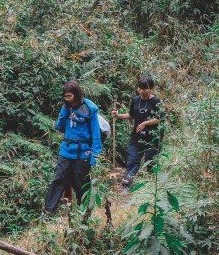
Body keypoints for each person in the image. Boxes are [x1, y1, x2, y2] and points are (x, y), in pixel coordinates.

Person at [44, 81, 102, 216]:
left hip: (83, 152)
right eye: (65, 96)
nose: (67, 99)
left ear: (76, 94)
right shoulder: (66, 107)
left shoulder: (89, 108)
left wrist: (95, 157)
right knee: (58, 180)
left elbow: (96, 134)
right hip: (66, 150)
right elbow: (60, 127)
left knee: (80, 183)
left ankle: (85, 212)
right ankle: (48, 212)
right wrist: (64, 112)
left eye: (69, 96)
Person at [112, 76, 164, 192]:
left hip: (153, 137)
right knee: (132, 160)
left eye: (144, 89)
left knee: (150, 161)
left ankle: (151, 188)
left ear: (150, 89)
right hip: (137, 136)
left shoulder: (155, 101)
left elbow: (160, 118)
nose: (141, 91)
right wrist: (118, 116)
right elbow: (131, 115)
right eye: (139, 88)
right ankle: (126, 185)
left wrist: (145, 123)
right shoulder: (135, 100)